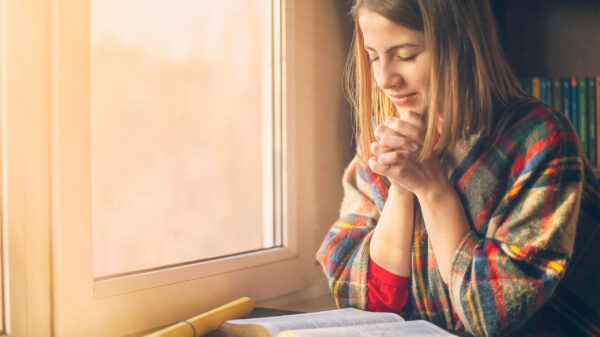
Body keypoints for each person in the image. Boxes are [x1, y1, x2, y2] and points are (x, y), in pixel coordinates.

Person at [315, 0, 600, 336]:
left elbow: (492, 313)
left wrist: (432, 189)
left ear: (462, 44)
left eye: (406, 54)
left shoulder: (540, 140)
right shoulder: (385, 135)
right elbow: (366, 305)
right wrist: (402, 187)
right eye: (374, 56)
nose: (384, 78)